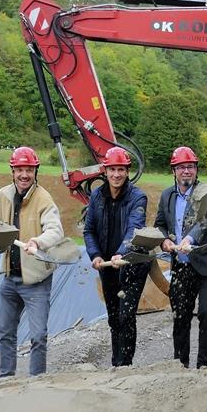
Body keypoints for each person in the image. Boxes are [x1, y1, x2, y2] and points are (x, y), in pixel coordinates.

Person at [0, 147, 64, 377]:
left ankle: (36, 382)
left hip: (36, 280)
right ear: (12, 171)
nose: (24, 175)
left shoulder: (44, 199)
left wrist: (38, 242)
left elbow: (56, 230)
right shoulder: (4, 194)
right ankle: (6, 379)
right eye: (19, 170)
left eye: (29, 170)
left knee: (38, 336)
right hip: (9, 278)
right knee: (5, 332)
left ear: (36, 171)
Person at [154, 146, 207, 368]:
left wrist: (189, 240)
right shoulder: (167, 195)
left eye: (191, 167)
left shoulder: (206, 191)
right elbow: (160, 224)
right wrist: (164, 240)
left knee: (206, 313)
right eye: (182, 167)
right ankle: (180, 365)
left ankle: (203, 365)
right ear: (174, 170)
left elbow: (206, 220)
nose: (187, 171)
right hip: (181, 265)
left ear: (196, 170)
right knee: (180, 316)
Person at [83, 147, 150, 367]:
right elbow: (89, 230)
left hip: (131, 264)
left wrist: (121, 252)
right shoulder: (96, 196)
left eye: (121, 169)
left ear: (127, 171)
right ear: (105, 171)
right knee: (113, 316)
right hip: (107, 266)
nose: (116, 175)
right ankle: (116, 362)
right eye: (112, 169)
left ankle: (125, 365)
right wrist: (94, 255)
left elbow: (134, 229)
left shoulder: (138, 197)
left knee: (126, 315)